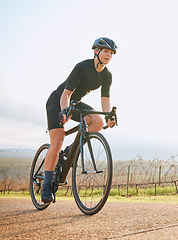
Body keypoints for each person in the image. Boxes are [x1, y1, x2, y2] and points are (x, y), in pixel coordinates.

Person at [41, 37, 118, 203]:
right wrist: (64, 111)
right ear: (96, 51)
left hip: (76, 104)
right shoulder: (82, 67)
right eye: (105, 51)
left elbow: (105, 100)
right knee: (57, 139)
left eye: (111, 53)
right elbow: (66, 94)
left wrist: (108, 116)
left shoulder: (107, 76)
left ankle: (69, 152)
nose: (109, 55)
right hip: (58, 101)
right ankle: (46, 185)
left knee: (98, 121)